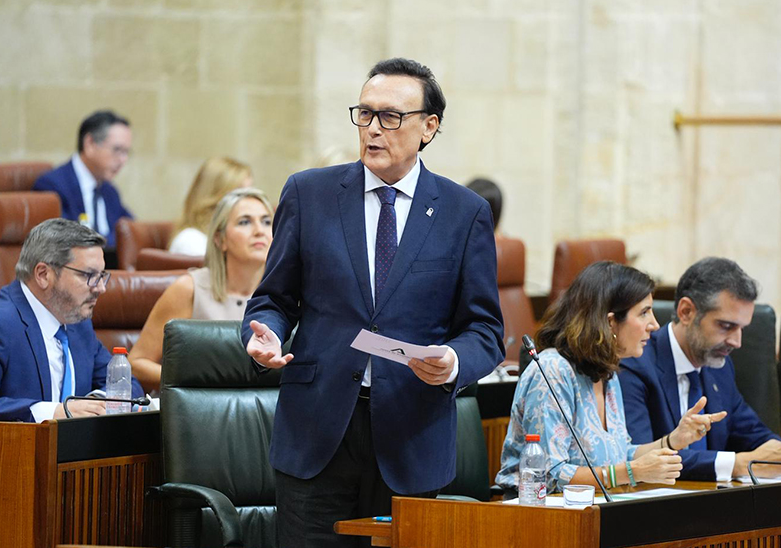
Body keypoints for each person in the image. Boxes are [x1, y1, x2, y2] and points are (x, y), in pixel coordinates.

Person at [242, 57, 504, 547]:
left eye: (391, 116)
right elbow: (272, 299)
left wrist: (452, 361)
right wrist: (266, 334)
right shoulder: (308, 193)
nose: (373, 129)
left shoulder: (464, 213)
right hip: (317, 431)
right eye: (365, 113)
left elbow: (485, 330)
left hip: (411, 434)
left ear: (429, 127)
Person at [496, 262, 724, 496]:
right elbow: (547, 475)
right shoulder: (553, 370)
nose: (655, 325)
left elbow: (621, 455)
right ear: (610, 322)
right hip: (540, 512)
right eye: (644, 312)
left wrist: (673, 440)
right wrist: (631, 472)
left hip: (595, 508)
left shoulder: (607, 373)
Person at [619, 257, 781, 481]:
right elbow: (641, 458)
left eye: (742, 328)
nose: (737, 342)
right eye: (726, 326)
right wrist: (737, 465)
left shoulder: (718, 366)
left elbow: (750, 432)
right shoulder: (635, 363)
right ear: (686, 312)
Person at [0, 218, 144, 422]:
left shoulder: (77, 322)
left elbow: (127, 384)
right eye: (88, 275)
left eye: (101, 275)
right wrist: (52, 413)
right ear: (43, 274)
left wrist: (96, 404)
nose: (101, 288)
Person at [130, 188, 273, 393]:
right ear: (220, 239)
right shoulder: (188, 289)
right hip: (197, 408)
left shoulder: (286, 293)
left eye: (267, 221)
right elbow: (136, 364)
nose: (260, 231)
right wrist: (195, 385)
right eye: (244, 222)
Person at [33, 110, 134, 248]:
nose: (123, 160)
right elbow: (67, 243)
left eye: (126, 152)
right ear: (89, 144)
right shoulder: (52, 186)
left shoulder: (110, 191)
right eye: (117, 150)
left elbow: (133, 232)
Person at [168, 157, 255, 256]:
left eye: (251, 193)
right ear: (213, 198)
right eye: (239, 194)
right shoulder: (190, 241)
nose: (250, 201)